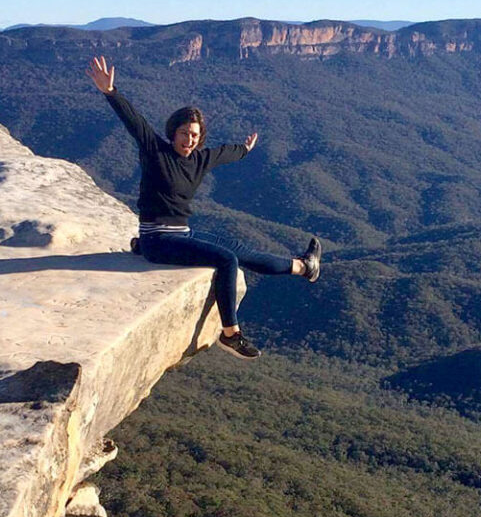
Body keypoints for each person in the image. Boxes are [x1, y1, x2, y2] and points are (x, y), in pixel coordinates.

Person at [87, 56, 320, 360]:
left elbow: (226, 153)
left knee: (241, 251)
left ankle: (303, 267)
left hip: (182, 234)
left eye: (195, 135)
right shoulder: (156, 151)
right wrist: (111, 92)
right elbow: (135, 123)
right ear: (173, 133)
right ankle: (231, 335)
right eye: (184, 133)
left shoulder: (200, 159)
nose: (189, 139)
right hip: (158, 240)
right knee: (226, 260)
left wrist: (246, 149)